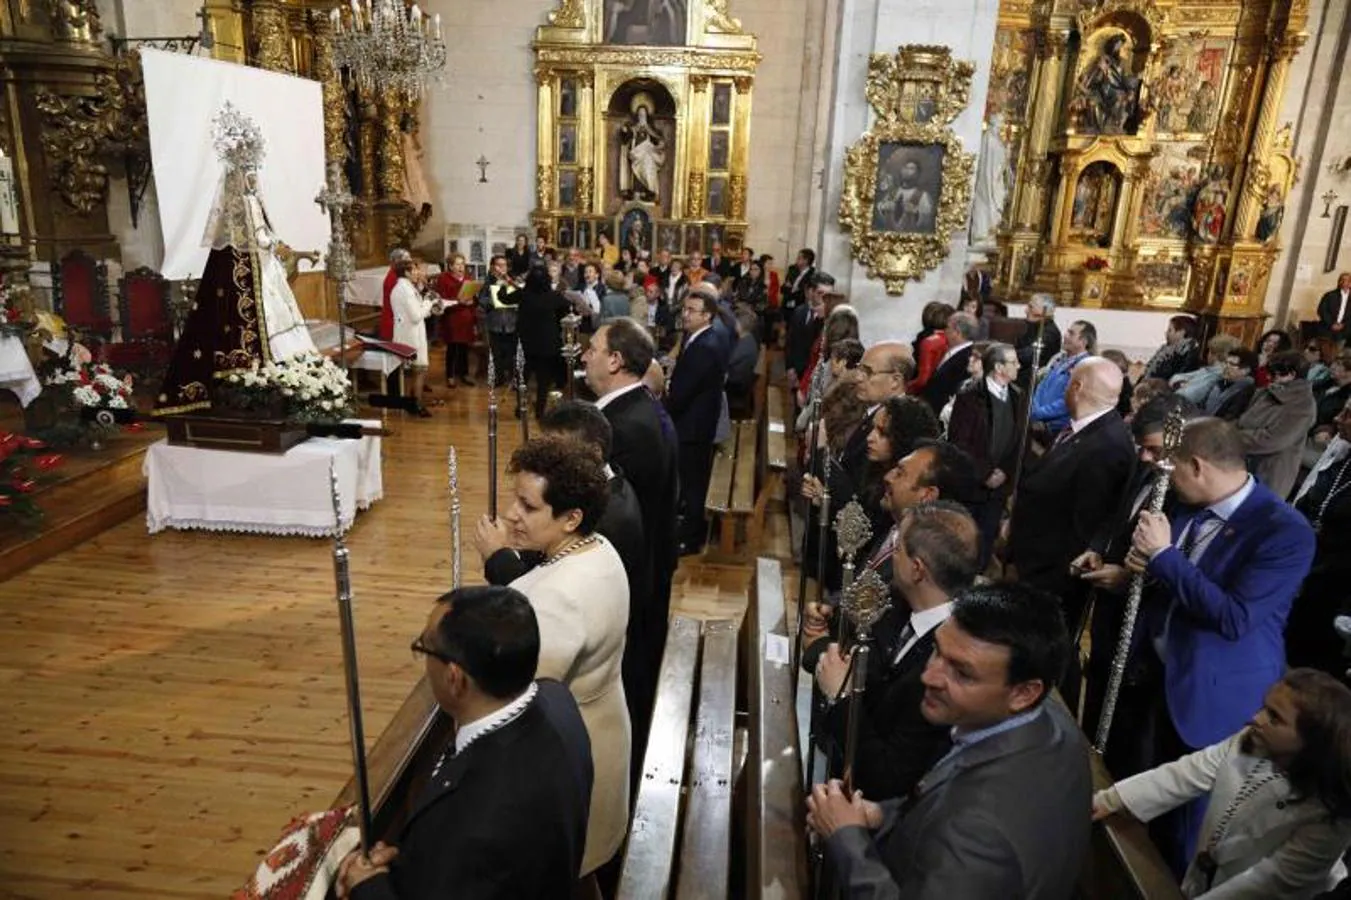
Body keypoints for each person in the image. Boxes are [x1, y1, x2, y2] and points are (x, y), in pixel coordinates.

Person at [807, 582, 1091, 899]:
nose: (929, 676)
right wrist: (883, 814)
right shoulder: (1048, 721)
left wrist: (847, 840)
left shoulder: (978, 836)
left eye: (962, 673)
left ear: (1024, 693)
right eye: (937, 651)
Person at [1127, 417, 1317, 869]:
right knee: (1150, 813)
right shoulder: (1192, 507)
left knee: (1188, 836)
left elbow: (1234, 618)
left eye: (1173, 471)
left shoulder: (1284, 531)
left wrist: (1163, 557)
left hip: (1214, 700)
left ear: (1197, 466)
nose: (1168, 482)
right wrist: (1136, 571)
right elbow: (1178, 584)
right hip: (1161, 680)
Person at [337, 585, 591, 900]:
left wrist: (367, 886)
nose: (423, 659)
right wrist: (406, 857)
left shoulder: (477, 821)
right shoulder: (556, 698)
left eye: (424, 649)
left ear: (455, 678)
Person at [1093, 669, 1351, 899]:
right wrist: (1109, 800)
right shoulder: (1253, 742)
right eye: (1264, 708)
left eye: (1274, 718)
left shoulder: (1331, 817)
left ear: (1312, 742)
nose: (1256, 719)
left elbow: (1270, 882)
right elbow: (1186, 774)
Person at [500, 436, 631, 881]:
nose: (511, 514)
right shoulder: (598, 547)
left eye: (528, 506)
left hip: (570, 761)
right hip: (603, 726)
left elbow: (520, 696)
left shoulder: (560, 596)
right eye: (515, 498)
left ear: (571, 517)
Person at [809, 501, 980, 801]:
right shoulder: (900, 606)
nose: (890, 554)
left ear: (917, 570)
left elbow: (888, 777)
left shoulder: (947, 663)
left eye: (897, 547)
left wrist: (843, 698)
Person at [156, 103, 320, 415]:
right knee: (254, 318)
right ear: (238, 177)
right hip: (250, 270)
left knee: (282, 315)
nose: (254, 181)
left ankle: (293, 373)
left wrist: (273, 243)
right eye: (249, 176)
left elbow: (266, 231)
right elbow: (248, 238)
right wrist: (265, 243)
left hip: (266, 268)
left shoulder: (255, 201)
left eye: (254, 175)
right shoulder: (237, 205)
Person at [1008, 357, 1136, 642]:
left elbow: (1086, 526)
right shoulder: (1083, 429)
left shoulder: (1107, 445)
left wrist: (1046, 577)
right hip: (1033, 565)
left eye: (1067, 382)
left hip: (1051, 580)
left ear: (1076, 387)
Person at [585, 318, 679, 663]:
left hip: (631, 580)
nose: (584, 356)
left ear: (615, 360)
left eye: (592, 348)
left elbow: (608, 516)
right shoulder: (642, 405)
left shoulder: (621, 426)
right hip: (649, 566)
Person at [1288, 399, 1351, 676]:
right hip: (1309, 566)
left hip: (1336, 586)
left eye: (1349, 414)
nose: (1338, 418)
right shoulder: (1342, 458)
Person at [667, 286, 730, 555]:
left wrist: (667, 398)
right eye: (684, 309)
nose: (685, 315)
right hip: (696, 420)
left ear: (707, 316)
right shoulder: (701, 337)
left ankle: (692, 538)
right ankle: (688, 526)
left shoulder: (705, 345)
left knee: (693, 483)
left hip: (693, 425)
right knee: (691, 480)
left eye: (691, 311)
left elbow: (683, 391)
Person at [947, 341, 1022, 566]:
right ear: (999, 367)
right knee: (962, 546)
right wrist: (986, 473)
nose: (1019, 365)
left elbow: (1019, 441)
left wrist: (1006, 474)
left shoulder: (1019, 396)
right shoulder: (970, 396)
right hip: (972, 487)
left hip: (998, 490)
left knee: (985, 545)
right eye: (1013, 362)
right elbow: (959, 443)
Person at [1238, 349, 1318, 499]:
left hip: (1269, 472)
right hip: (1242, 463)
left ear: (1292, 375)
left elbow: (1273, 439)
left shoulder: (1303, 404)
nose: (1269, 377)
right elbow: (1244, 420)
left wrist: (1232, 438)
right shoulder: (1266, 392)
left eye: (1274, 373)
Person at [513, 267, 574, 420]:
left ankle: (521, 409)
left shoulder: (523, 294)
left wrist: (507, 284)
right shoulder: (553, 296)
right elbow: (568, 308)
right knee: (543, 380)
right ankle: (540, 410)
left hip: (526, 344)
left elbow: (502, 298)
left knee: (523, 378)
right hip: (547, 344)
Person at [390, 257, 440, 418]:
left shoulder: (405, 287)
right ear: (406, 272)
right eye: (415, 270)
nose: (418, 272)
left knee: (417, 370)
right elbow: (416, 315)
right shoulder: (404, 290)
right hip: (410, 335)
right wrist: (429, 302)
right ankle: (416, 405)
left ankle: (412, 402)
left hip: (410, 332)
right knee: (419, 370)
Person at [1029, 319, 1096, 437]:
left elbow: (1070, 401)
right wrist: (1034, 409)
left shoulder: (1086, 366)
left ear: (1083, 341)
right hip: (1038, 422)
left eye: (1071, 333)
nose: (1065, 335)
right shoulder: (1060, 359)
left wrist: (1038, 413)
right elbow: (1042, 385)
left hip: (1058, 429)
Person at [920, 311, 978, 415]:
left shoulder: (967, 359)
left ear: (957, 332)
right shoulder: (955, 351)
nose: (944, 331)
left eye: (947, 327)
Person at [478, 254, 520, 391]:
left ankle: (513, 379)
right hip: (495, 322)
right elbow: (482, 300)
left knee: (511, 353)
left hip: (511, 322)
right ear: (492, 267)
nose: (502, 268)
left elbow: (521, 295)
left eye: (504, 265)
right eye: (498, 265)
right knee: (496, 353)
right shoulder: (488, 282)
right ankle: (499, 377)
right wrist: (492, 302)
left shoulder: (513, 280)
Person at [436, 253, 477, 388]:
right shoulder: (443, 279)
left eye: (462, 264)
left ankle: (464, 374)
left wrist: (472, 301)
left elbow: (472, 298)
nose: (461, 267)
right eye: (458, 264)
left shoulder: (468, 278)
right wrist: (458, 301)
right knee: (452, 348)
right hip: (452, 317)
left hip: (466, 317)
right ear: (451, 266)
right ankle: (450, 376)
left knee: (464, 347)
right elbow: (441, 299)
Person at [1173, 334, 1241, 406]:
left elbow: (1184, 395)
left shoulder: (1217, 375)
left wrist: (1185, 384)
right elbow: (1175, 377)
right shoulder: (1208, 370)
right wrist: (1183, 384)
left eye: (1209, 351)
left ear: (1215, 354)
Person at [906, 302, 953, 397]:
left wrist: (906, 388)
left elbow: (923, 379)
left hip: (926, 392)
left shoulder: (928, 341)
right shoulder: (951, 339)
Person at [1014, 294, 1062, 383]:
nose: (1026, 310)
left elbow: (1030, 355)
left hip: (1032, 381)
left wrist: (1008, 355)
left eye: (1031, 307)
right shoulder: (1031, 326)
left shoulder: (1050, 333)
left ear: (1044, 311)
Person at [1202, 347, 1258, 420]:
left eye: (1231, 364)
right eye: (1225, 362)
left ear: (1245, 370)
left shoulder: (1246, 392)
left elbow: (1229, 419)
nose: (1225, 367)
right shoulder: (1220, 382)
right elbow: (1202, 405)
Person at [725, 305, 761, 421]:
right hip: (737, 385)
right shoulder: (747, 339)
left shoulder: (744, 346)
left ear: (738, 325)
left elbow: (728, 364)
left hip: (735, 390)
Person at [1144, 315, 1203, 383]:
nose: (1166, 333)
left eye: (1170, 330)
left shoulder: (1180, 355)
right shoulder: (1172, 351)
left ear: (1181, 332)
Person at [379, 247, 412, 342]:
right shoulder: (393, 278)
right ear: (397, 261)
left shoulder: (398, 275)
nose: (410, 262)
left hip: (398, 320)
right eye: (406, 259)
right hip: (393, 322)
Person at [1318, 272, 1351, 341]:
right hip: (1328, 328)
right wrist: (1332, 324)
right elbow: (1322, 310)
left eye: (1347, 280)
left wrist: (1343, 325)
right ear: (1339, 282)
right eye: (1342, 280)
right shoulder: (1330, 295)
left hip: (1345, 331)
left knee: (1341, 350)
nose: (1344, 282)